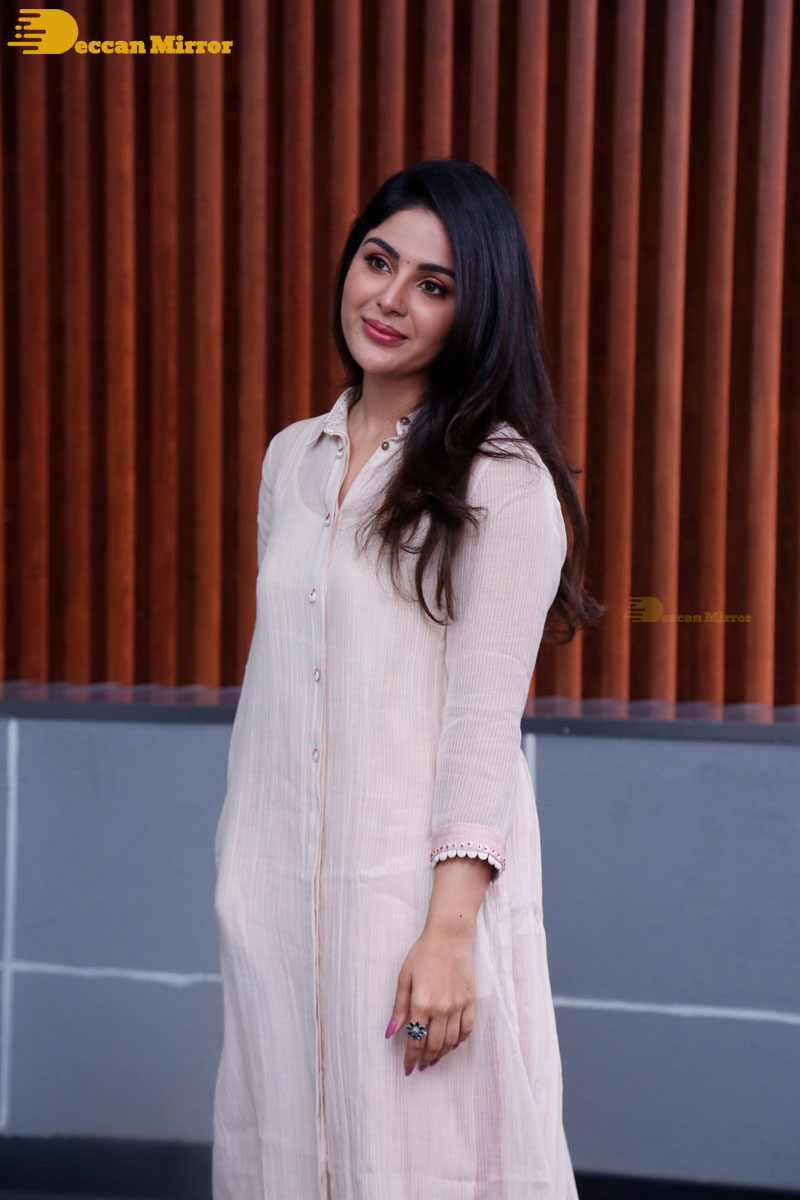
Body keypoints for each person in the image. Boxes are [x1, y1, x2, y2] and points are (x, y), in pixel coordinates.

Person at [212, 157, 603, 1199]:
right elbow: (280, 683)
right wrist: (239, 876)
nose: (389, 299)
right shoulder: (291, 458)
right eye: (378, 261)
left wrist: (448, 934)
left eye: (434, 285)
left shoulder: (502, 479)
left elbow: (482, 721)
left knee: (424, 1166)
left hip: (413, 909)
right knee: (284, 1160)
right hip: (276, 900)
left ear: (475, 312)